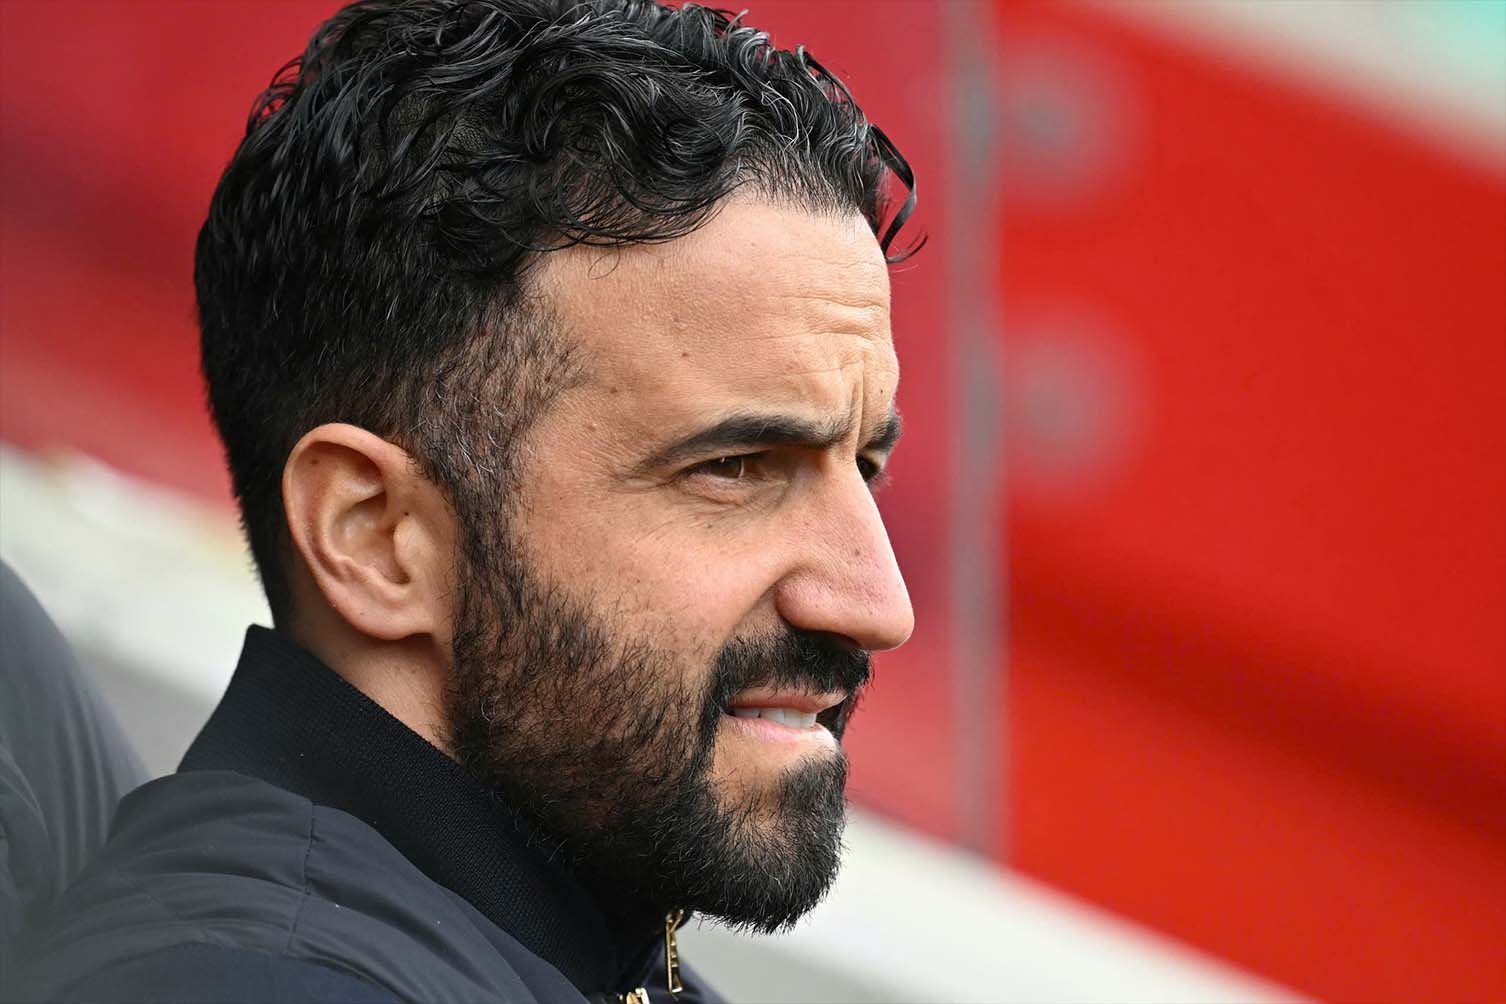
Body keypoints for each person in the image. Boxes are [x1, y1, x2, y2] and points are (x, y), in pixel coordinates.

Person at [12, 0, 920, 1000]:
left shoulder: (581, 936)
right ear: (375, 536)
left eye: (864, 465)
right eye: (736, 467)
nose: (878, 604)